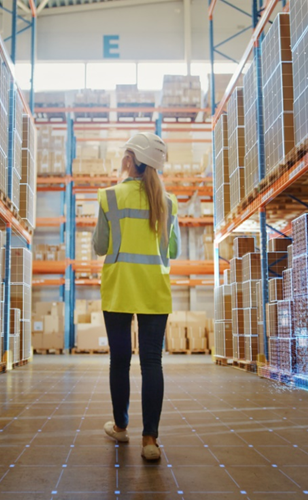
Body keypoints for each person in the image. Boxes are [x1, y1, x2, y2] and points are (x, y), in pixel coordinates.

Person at [93, 132, 181, 461]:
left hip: (118, 290)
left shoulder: (109, 197)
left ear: (131, 160)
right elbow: (174, 250)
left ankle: (120, 427)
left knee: (120, 361)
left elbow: (101, 247)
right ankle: (150, 441)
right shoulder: (168, 203)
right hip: (154, 292)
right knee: (152, 363)